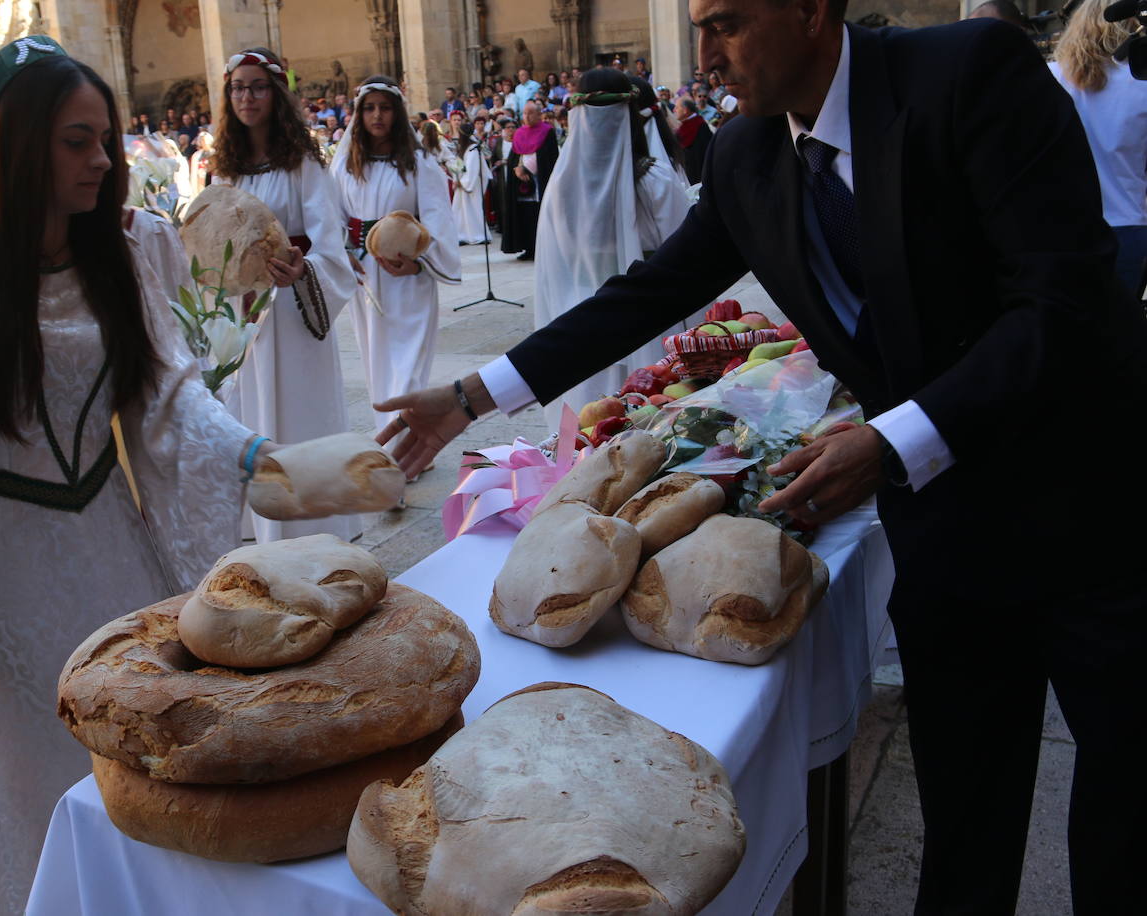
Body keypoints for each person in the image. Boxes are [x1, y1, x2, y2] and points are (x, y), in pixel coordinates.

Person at [372, 4, 1147, 913]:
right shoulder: (747, 156)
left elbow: (1062, 299)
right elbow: (650, 292)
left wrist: (893, 440)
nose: (703, 54)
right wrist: (472, 395)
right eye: (698, 24)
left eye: (728, 23)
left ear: (814, 12)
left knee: (1127, 811)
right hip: (950, 539)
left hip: (1090, 512)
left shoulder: (968, 74)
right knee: (966, 812)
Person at [0, 37, 283, 914]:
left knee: (141, 752)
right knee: (29, 771)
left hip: (111, 543)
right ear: (17, 143)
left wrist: (245, 453)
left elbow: (167, 394)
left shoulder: (129, 250)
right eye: (77, 141)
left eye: (106, 140)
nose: (103, 161)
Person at [211, 47, 360, 544]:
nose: (246, 97)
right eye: (237, 87)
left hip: (294, 309)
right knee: (249, 405)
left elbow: (328, 243)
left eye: (256, 87)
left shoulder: (303, 164)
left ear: (275, 94)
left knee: (299, 411)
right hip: (244, 311)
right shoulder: (225, 166)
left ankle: (312, 519)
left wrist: (303, 269)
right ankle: (259, 521)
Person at [529, 68, 687, 429]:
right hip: (643, 313)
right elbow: (683, 253)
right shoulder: (655, 179)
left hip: (580, 313)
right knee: (645, 420)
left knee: (590, 422)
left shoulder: (561, 186)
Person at [330, 74, 461, 434]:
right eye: (369, 108)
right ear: (359, 113)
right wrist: (344, 252)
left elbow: (438, 218)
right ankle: (390, 434)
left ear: (397, 113)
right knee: (377, 358)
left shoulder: (419, 163)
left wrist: (418, 263)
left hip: (409, 277)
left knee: (409, 361)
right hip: (367, 275)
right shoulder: (344, 165)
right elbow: (333, 215)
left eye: (385, 108)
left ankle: (403, 438)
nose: (377, 116)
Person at [1049, 0, 1147, 299]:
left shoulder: (1048, 77)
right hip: (1127, 224)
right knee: (1118, 334)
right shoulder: (1141, 83)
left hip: (1059, 225)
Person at [500, 100, 559, 260]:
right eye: (524, 113)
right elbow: (515, 155)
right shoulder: (519, 133)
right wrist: (517, 168)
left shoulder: (547, 131)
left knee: (539, 214)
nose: (526, 116)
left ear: (539, 114)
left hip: (539, 180)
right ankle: (528, 247)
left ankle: (543, 248)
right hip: (521, 182)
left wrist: (528, 169)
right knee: (524, 215)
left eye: (530, 113)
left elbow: (549, 157)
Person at [451, 122, 491, 244]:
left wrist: (462, 182)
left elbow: (473, 170)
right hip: (462, 183)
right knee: (460, 210)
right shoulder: (462, 149)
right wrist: (456, 178)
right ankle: (462, 235)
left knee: (473, 209)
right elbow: (458, 165)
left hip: (471, 184)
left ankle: (478, 234)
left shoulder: (473, 150)